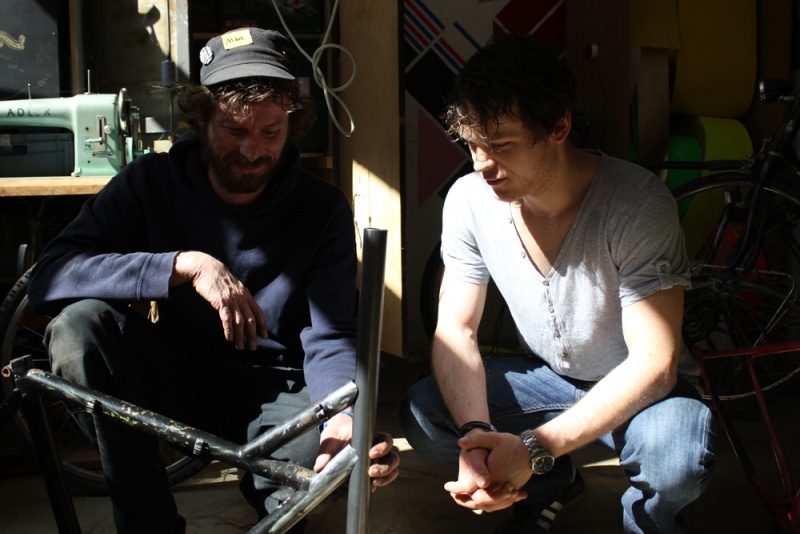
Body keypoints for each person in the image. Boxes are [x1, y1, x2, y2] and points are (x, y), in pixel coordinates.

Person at [27, 28, 399, 533]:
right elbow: (51, 275)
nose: (252, 150)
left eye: (271, 132)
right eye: (233, 129)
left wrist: (344, 416)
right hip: (177, 375)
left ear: (292, 124)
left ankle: (278, 503)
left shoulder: (321, 208)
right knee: (80, 327)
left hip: (280, 388)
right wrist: (180, 266)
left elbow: (331, 332)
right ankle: (147, 525)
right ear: (201, 119)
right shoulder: (149, 184)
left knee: (324, 472)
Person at [400, 33, 715, 534]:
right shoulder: (469, 200)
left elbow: (656, 364)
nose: (481, 163)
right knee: (426, 411)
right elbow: (455, 330)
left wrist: (533, 446)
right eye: (472, 144)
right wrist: (477, 438)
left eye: (500, 145)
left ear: (559, 127)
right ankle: (549, 485)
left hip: (640, 391)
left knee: (675, 457)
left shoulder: (635, 204)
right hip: (549, 379)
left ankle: (648, 523)